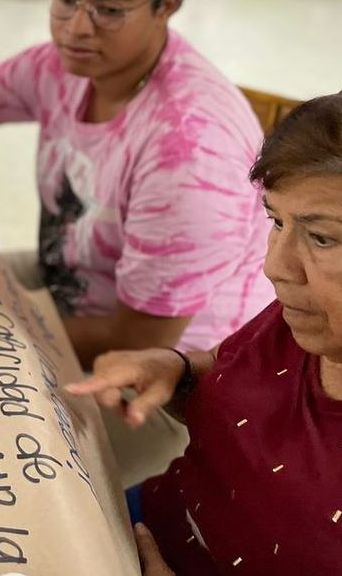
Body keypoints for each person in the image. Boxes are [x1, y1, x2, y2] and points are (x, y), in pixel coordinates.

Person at [0, 0, 272, 480]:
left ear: (167, 5)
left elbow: (136, 340)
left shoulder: (187, 147)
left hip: (168, 389)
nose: (76, 28)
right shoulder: (64, 63)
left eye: (110, 9)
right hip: (76, 292)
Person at [68, 92, 342, 576]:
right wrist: (174, 370)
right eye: (276, 221)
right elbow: (227, 373)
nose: (274, 267)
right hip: (137, 520)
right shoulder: (300, 322)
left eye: (322, 237)